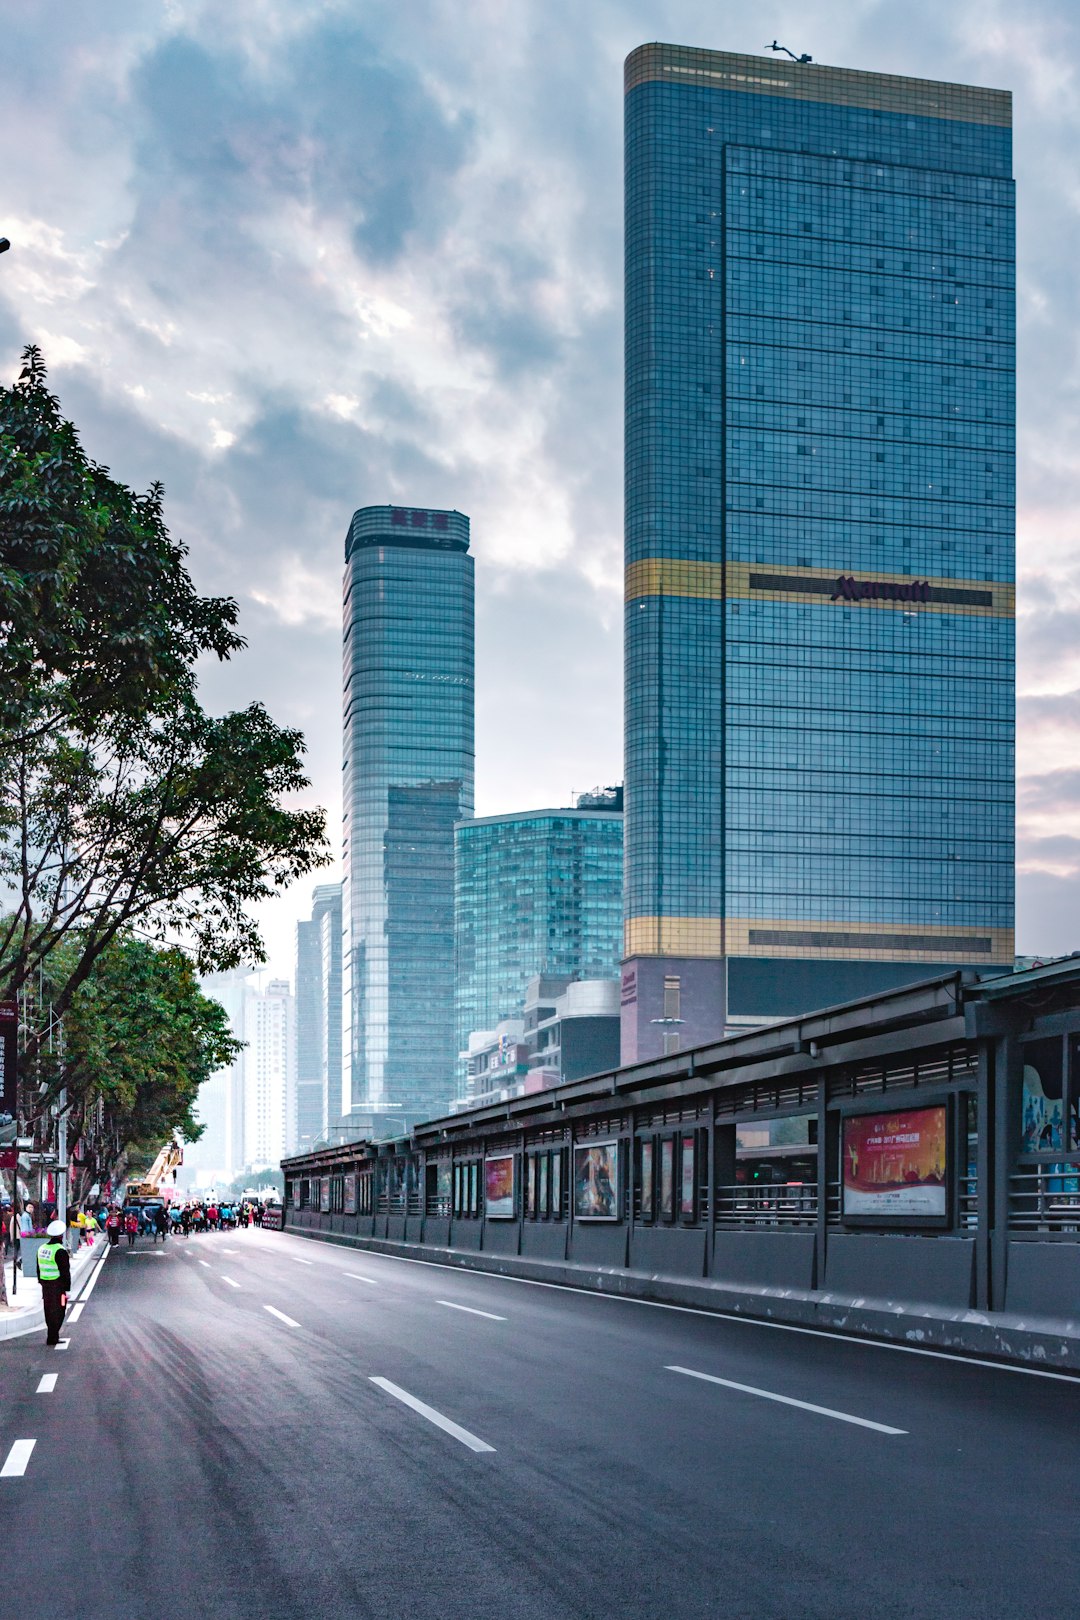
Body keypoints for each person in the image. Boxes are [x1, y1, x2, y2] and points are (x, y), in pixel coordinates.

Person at [37, 1218, 71, 1347]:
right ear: (61, 1236)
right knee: (60, 1310)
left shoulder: (42, 1248)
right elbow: (65, 1271)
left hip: (46, 1286)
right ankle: (53, 1336)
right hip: (58, 1287)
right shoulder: (60, 1250)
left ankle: (52, 1335)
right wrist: (67, 1289)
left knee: (48, 1309)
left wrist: (41, 1281)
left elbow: (38, 1267)